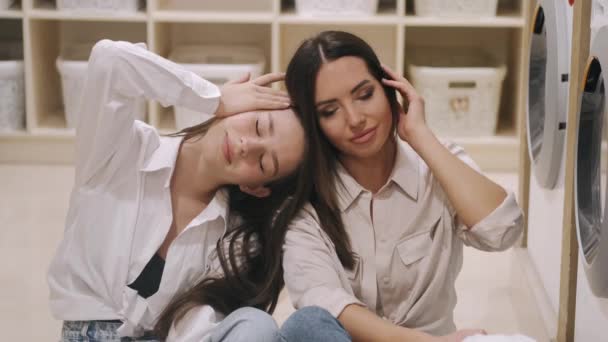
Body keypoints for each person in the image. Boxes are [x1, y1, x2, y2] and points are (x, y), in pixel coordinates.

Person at [48, 39, 309, 341]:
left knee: (256, 326)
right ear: (244, 103)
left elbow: (195, 328)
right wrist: (214, 98)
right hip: (86, 331)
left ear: (256, 187)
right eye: (259, 126)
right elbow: (111, 60)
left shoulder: (231, 237)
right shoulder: (123, 149)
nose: (245, 146)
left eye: (263, 162)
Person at [282, 30, 524, 342]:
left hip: (437, 338)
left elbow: (503, 231)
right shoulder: (305, 199)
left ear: (389, 90)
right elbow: (323, 301)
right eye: (330, 111)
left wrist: (421, 135)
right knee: (305, 325)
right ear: (314, 125)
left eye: (365, 95)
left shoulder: (436, 164)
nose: (355, 119)